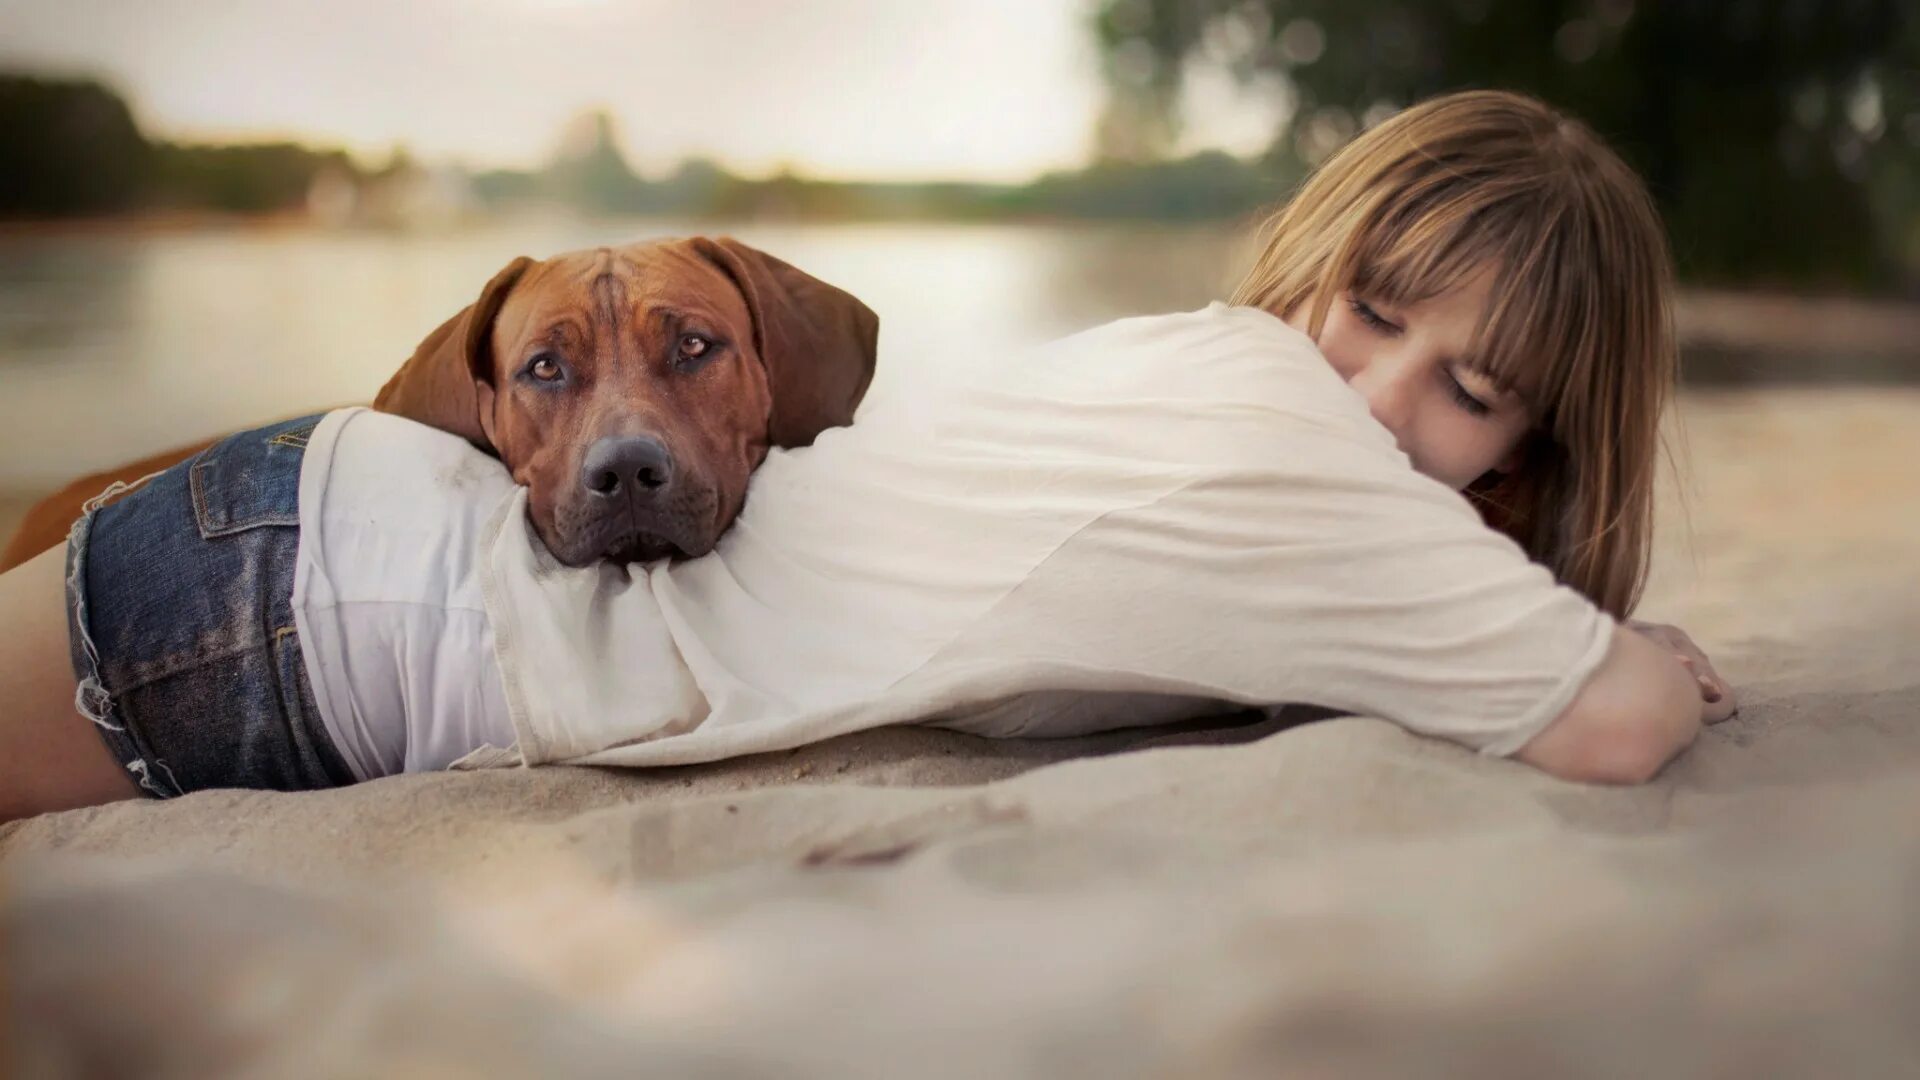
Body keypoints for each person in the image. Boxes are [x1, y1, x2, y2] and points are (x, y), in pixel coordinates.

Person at [0, 90, 1734, 822]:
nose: (1376, 400)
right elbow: (1622, 723)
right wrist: (1617, 648)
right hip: (339, 615)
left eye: (1470, 390)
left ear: (1531, 445)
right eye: (1369, 313)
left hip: (324, 561)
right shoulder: (1287, 437)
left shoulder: (1184, 380)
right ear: (1311, 267)